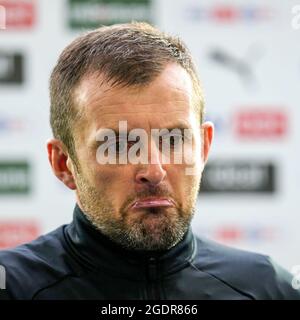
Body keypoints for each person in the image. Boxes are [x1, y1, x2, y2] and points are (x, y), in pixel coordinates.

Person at [0, 22, 299, 300]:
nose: (154, 170)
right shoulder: (12, 288)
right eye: (118, 145)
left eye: (174, 140)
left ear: (204, 147)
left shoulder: (271, 289)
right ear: (64, 164)